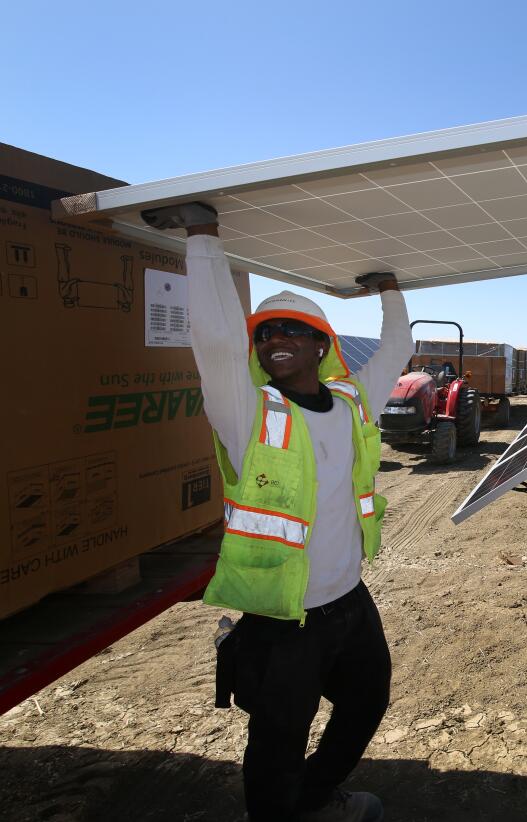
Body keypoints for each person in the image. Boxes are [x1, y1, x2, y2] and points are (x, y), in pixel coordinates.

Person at [144, 202, 414, 822]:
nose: (275, 341)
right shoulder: (249, 414)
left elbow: (398, 347)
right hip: (281, 620)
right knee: (275, 743)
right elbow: (213, 340)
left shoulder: (352, 404)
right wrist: (203, 237)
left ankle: (311, 802)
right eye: (264, 333)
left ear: (323, 344)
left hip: (349, 601)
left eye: (291, 330)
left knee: (366, 706)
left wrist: (390, 291)